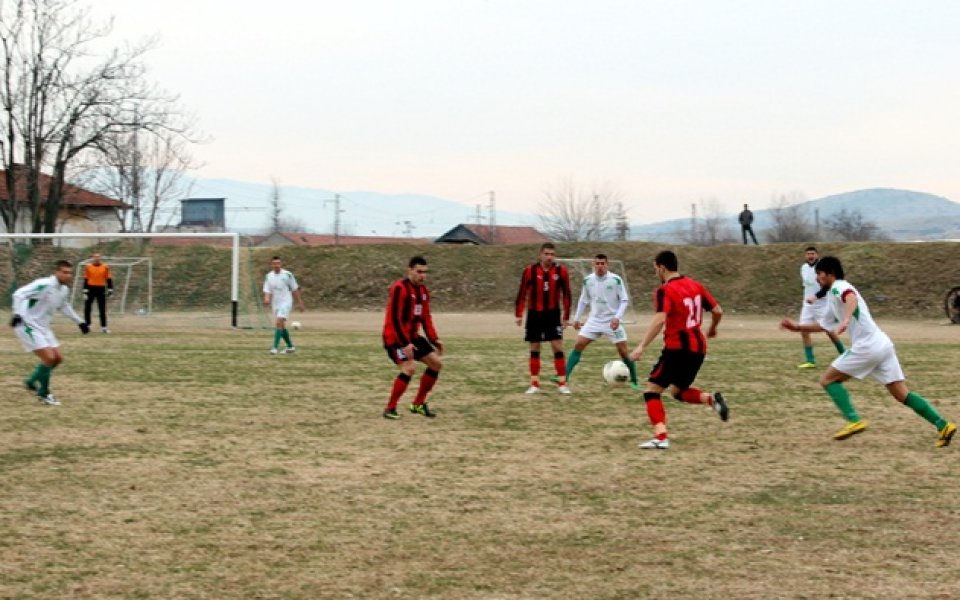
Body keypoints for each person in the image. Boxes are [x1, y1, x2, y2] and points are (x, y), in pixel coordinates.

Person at [780, 256, 956, 447]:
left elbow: (851, 298)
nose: (817, 279)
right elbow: (824, 325)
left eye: (820, 274)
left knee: (827, 380)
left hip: (867, 346)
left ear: (830, 273)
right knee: (901, 394)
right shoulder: (832, 295)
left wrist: (846, 320)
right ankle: (943, 425)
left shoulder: (840, 286)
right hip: (882, 344)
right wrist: (797, 328)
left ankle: (854, 420)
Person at [628, 250, 729, 450]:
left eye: (655, 268)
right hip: (698, 348)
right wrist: (712, 328)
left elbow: (660, 319)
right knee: (677, 391)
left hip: (677, 349)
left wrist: (641, 346)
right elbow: (718, 310)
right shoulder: (695, 285)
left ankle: (661, 437)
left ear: (661, 267)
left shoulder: (665, 290)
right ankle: (712, 400)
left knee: (651, 391)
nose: (655, 272)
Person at [10, 260, 91, 406]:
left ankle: (31, 381)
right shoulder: (44, 284)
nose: (68, 275)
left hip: (43, 327)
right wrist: (17, 314)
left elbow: (64, 306)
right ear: (56, 272)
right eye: (65, 272)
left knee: (58, 359)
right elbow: (19, 294)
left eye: (70, 273)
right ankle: (44, 393)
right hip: (27, 324)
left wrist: (80, 322)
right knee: (49, 358)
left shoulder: (63, 290)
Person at [564, 254, 640, 390]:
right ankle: (564, 378)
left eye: (602, 263)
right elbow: (583, 300)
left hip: (612, 321)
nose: (600, 266)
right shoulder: (588, 280)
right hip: (594, 320)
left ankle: (634, 380)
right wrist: (576, 319)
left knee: (623, 351)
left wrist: (617, 317)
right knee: (578, 344)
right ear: (593, 265)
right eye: (597, 263)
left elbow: (624, 300)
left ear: (607, 265)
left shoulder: (615, 280)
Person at [381, 255, 443, 419]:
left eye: (425, 272)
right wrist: (405, 344)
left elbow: (425, 317)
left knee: (436, 364)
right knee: (409, 368)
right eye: (419, 271)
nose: (422, 275)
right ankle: (390, 408)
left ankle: (418, 404)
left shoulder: (423, 292)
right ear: (410, 271)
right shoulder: (399, 288)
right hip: (395, 338)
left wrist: (434, 339)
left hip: (412, 336)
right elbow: (395, 319)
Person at [515, 242, 572, 395]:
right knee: (534, 347)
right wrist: (519, 314)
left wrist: (566, 316)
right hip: (534, 314)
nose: (549, 257)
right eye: (546, 254)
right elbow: (522, 293)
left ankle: (562, 383)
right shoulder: (530, 271)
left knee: (557, 346)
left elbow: (567, 295)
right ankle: (534, 384)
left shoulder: (561, 271)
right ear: (540, 254)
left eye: (552, 254)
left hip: (553, 314)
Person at [796, 246, 845, 368]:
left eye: (812, 253)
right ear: (805, 256)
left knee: (829, 330)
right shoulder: (804, 268)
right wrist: (809, 298)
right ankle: (810, 361)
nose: (810, 256)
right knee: (803, 329)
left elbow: (826, 286)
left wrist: (816, 296)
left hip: (822, 304)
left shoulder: (823, 269)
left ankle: (844, 354)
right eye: (808, 254)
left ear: (817, 255)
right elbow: (807, 285)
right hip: (807, 304)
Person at [262, 256, 305, 354]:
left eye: (278, 263)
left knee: (278, 321)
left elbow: (295, 289)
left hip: (286, 301)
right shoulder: (269, 276)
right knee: (281, 325)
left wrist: (300, 302)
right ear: (271, 265)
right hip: (275, 303)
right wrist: (267, 299)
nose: (276, 265)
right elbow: (267, 290)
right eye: (274, 263)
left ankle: (274, 347)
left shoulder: (287, 275)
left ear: (281, 264)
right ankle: (290, 346)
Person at [83, 252, 113, 333]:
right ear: (93, 258)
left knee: (102, 309)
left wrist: (110, 289)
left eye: (98, 257)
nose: (96, 259)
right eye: (95, 257)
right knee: (87, 308)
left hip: (101, 288)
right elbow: (86, 279)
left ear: (100, 258)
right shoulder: (88, 267)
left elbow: (108, 278)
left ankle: (104, 327)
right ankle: (88, 325)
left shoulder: (105, 267)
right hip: (90, 288)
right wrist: (85, 291)